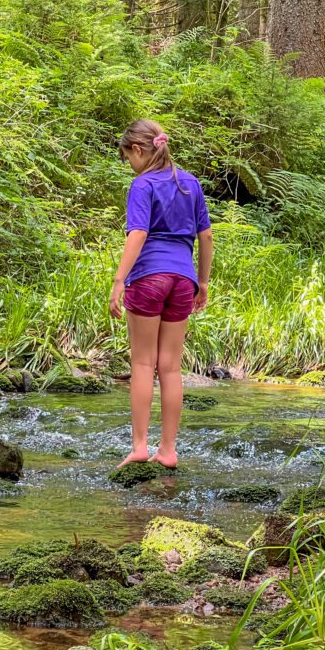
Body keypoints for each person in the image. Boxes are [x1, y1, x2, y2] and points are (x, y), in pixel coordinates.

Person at [110, 119, 214, 468]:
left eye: (128, 157)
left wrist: (118, 280)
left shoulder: (143, 185)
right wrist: (203, 282)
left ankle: (140, 446)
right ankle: (168, 450)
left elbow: (137, 233)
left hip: (149, 277)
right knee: (170, 368)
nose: (129, 164)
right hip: (183, 279)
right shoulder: (191, 183)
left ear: (138, 150)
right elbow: (206, 237)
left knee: (142, 363)